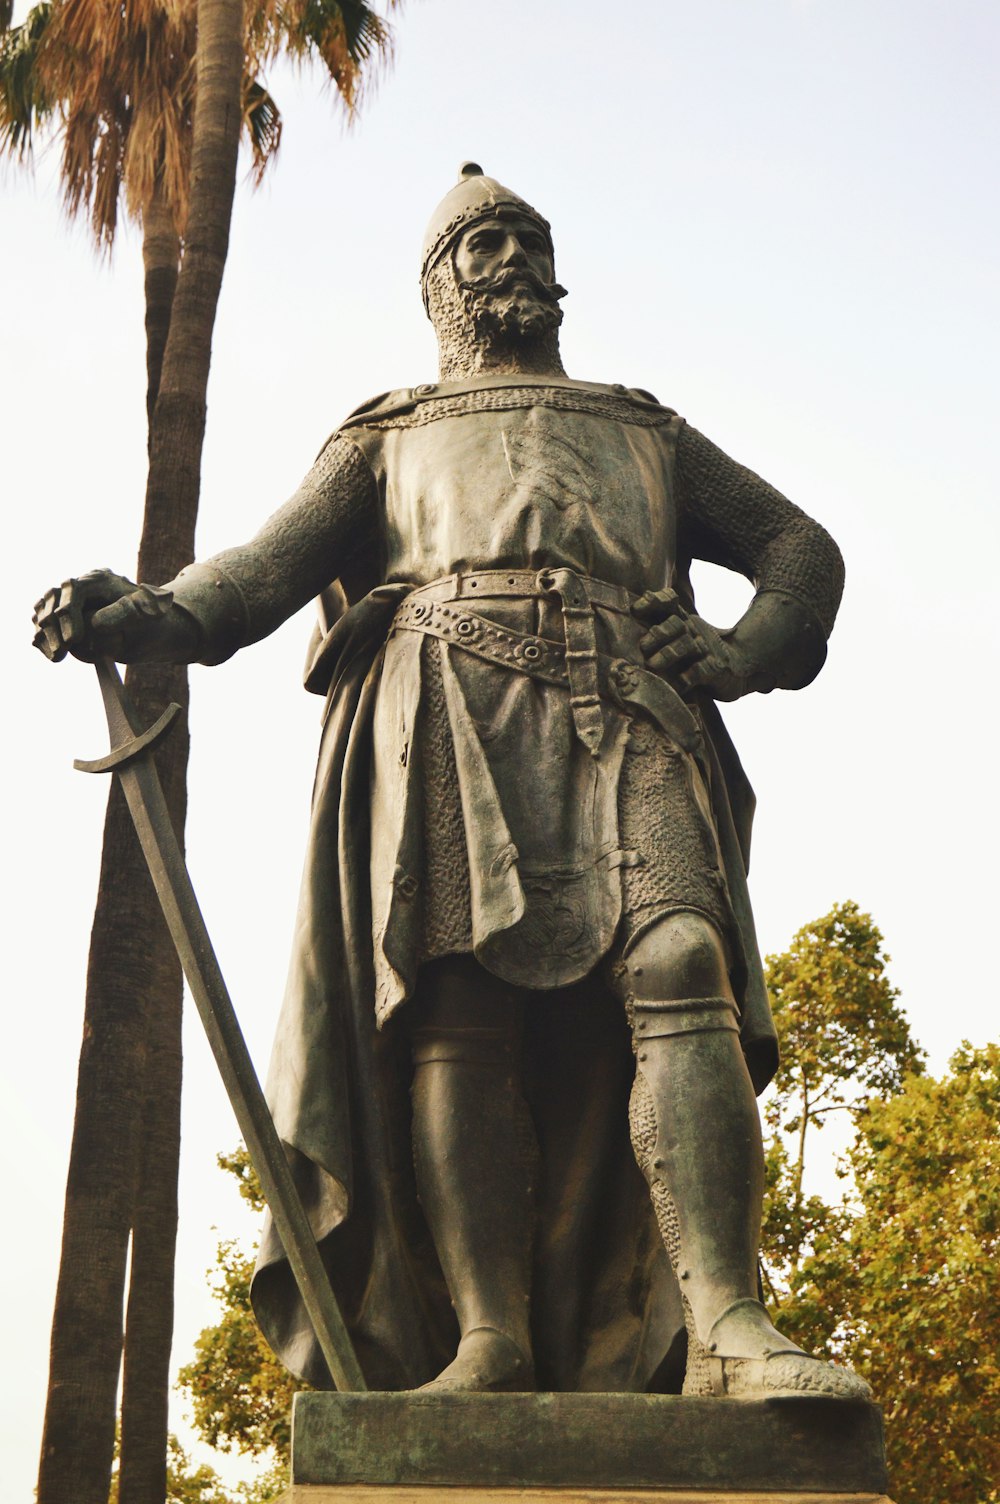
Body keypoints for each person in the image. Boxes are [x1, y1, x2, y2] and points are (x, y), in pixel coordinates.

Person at [33, 165, 869, 1401]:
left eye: (527, 239)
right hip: (445, 719)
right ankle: (488, 1338)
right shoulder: (388, 432)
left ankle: (727, 1327)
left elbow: (799, 547)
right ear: (439, 288)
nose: (512, 259)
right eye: (482, 246)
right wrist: (153, 611)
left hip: (626, 710)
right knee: (455, 1013)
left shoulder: (642, 429)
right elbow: (261, 573)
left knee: (681, 959)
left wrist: (745, 652)